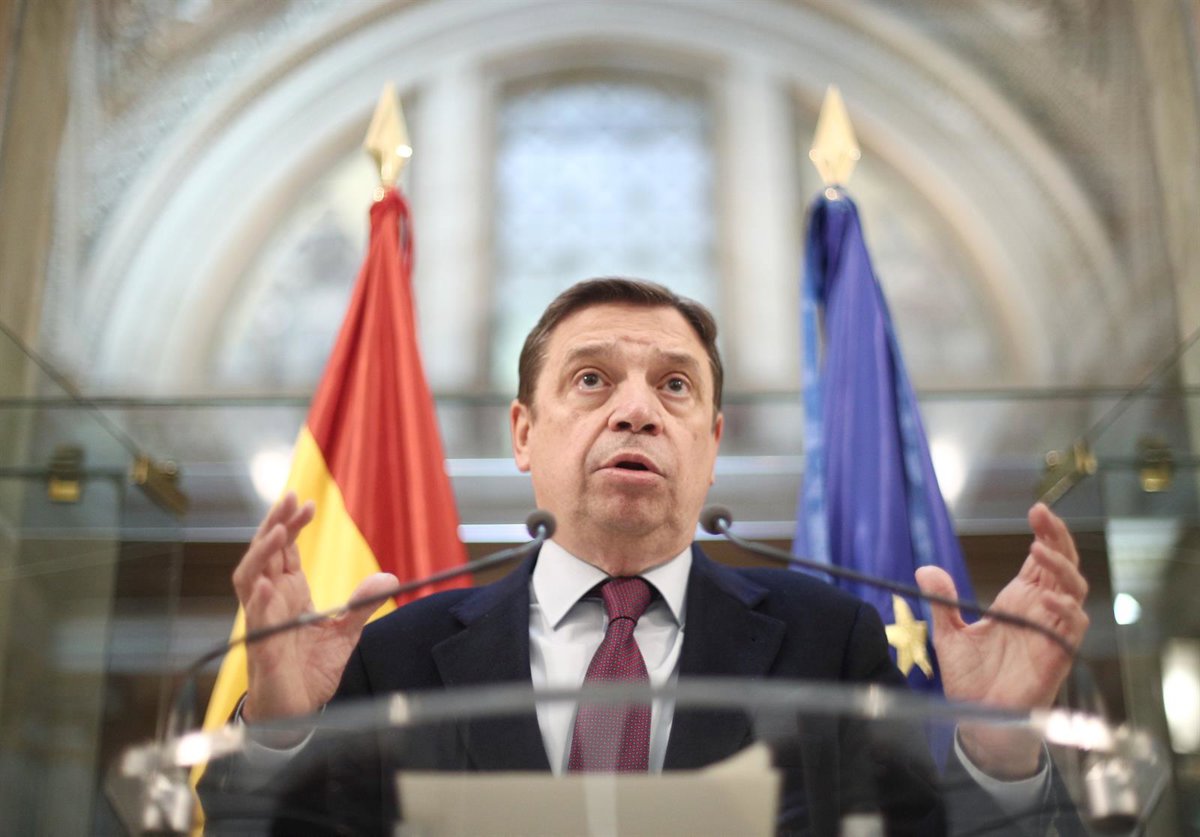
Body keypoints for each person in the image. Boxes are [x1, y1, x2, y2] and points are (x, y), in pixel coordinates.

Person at [206, 278, 1090, 834]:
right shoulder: (399, 654)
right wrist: (278, 734)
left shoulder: (830, 641)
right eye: (591, 379)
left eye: (674, 385)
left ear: (711, 442)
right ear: (524, 433)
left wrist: (1000, 751)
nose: (636, 411)